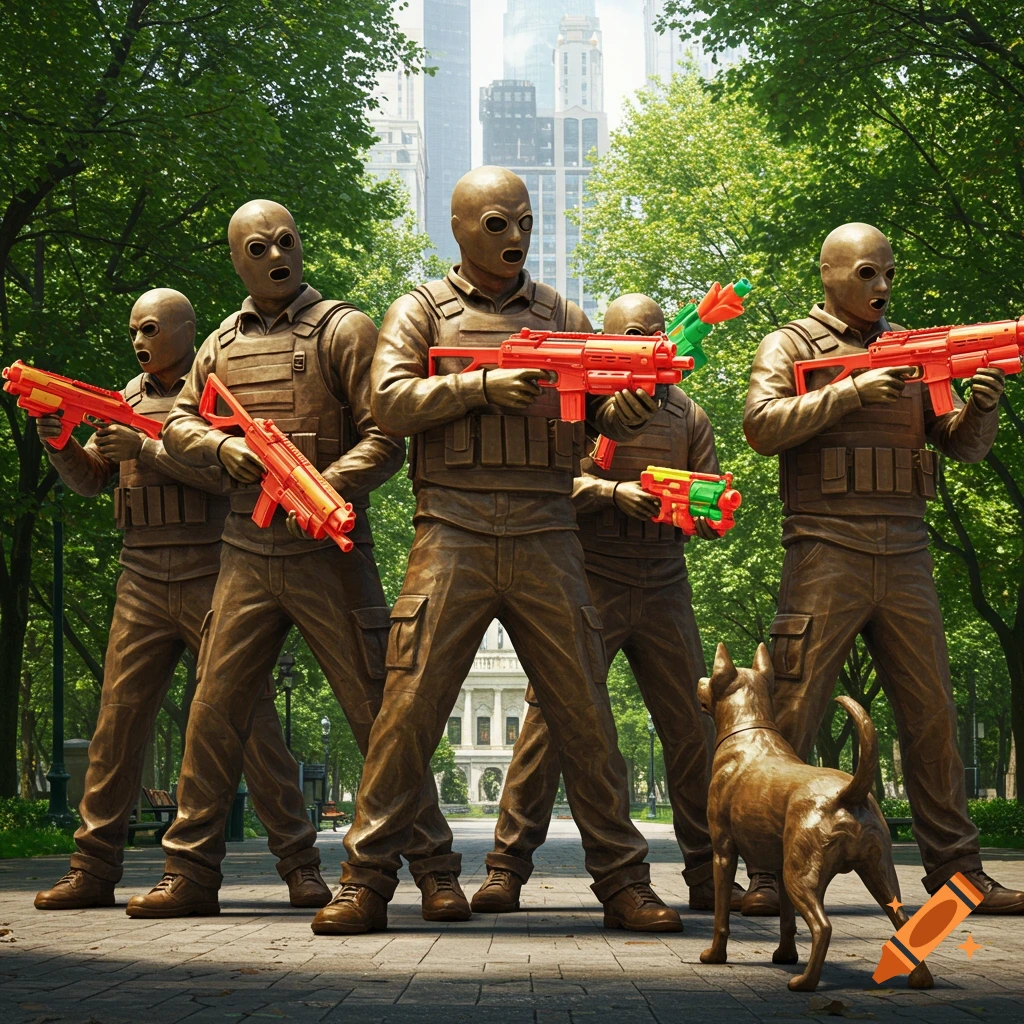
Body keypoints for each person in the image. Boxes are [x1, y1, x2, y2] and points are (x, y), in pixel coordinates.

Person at [316, 167, 679, 936]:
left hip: (549, 529)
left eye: (524, 222)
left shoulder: (564, 312)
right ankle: (366, 880)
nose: (515, 237)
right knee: (408, 710)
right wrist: (480, 389)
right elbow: (387, 404)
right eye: (496, 224)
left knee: (584, 712)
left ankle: (623, 882)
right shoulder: (421, 311)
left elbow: (595, 418)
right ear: (460, 227)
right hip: (451, 528)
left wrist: (629, 404)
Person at [126, 203, 459, 920]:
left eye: (287, 240)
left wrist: (324, 486)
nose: (277, 253)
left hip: (330, 552)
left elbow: (387, 436)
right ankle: (189, 873)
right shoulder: (218, 342)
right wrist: (225, 450)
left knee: (379, 714)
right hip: (245, 551)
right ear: (238, 263)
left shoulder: (344, 329)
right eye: (259, 246)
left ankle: (435, 870)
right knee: (212, 713)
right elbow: (180, 421)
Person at [742, 222, 1024, 915]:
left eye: (889, 273)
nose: (882, 286)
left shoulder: (914, 352)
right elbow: (760, 424)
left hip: (905, 550)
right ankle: (769, 876)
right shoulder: (790, 345)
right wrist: (848, 392)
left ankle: (958, 874)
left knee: (932, 716)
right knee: (790, 713)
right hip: (822, 549)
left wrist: (980, 411)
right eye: (867, 273)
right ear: (829, 273)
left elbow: (959, 448)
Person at [33, 288, 329, 911]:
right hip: (139, 574)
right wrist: (60, 444)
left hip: (212, 569)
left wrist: (148, 449)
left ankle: (300, 863)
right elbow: (91, 481)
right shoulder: (124, 401)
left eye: (149, 329)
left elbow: (231, 473)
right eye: (133, 331)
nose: (138, 342)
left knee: (247, 725)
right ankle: (93, 866)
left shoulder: (217, 396)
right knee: (117, 721)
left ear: (185, 332)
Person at [471, 293, 744, 915]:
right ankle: (506, 868)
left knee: (693, 729)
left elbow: (709, 492)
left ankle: (709, 874)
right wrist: (613, 493)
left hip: (665, 582)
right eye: (631, 333)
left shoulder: (689, 415)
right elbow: (553, 484)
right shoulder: (581, 408)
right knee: (548, 723)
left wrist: (703, 511)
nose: (647, 341)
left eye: (654, 331)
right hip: (591, 580)